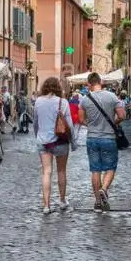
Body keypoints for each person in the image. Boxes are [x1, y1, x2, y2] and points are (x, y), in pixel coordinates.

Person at [79, 72, 126, 211]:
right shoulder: (112, 96)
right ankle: (104, 189)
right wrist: (113, 123)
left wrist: (91, 125)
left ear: (89, 84)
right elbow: (122, 115)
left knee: (95, 170)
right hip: (108, 138)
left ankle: (98, 202)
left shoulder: (85, 100)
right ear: (101, 82)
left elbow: (80, 119)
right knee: (110, 168)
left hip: (92, 138)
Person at [33, 77, 76, 214]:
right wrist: (73, 142)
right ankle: (62, 201)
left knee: (46, 172)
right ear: (58, 88)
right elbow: (70, 125)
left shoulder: (38, 101)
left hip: (43, 142)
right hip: (60, 142)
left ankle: (46, 205)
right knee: (61, 171)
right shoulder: (63, 102)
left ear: (44, 88)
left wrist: (38, 136)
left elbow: (35, 122)